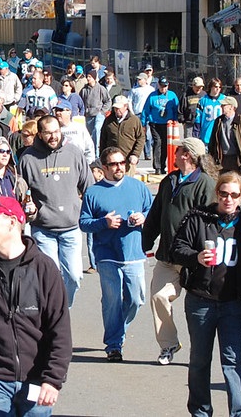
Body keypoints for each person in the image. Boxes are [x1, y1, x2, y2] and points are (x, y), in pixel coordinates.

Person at [0, 196, 72, 416]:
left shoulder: (44, 268)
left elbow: (59, 329)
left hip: (37, 379)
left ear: (12, 222)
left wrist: (53, 379)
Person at [172, 171, 241, 417]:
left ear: (240, 197)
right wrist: (196, 257)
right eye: (223, 194)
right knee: (199, 361)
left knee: (233, 361)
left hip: (232, 303)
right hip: (201, 301)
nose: (228, 199)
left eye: (234, 195)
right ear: (216, 193)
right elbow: (177, 248)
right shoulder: (198, 217)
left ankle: (240, 412)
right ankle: (200, 411)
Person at [142, 137, 216, 365]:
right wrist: (146, 240)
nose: (175, 153)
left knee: (196, 309)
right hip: (167, 255)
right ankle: (169, 344)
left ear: (188, 155)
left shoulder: (205, 183)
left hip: (194, 259)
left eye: (180, 150)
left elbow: (211, 221)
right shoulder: (169, 180)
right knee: (158, 297)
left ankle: (200, 353)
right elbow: (156, 214)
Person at [79, 147, 153, 362]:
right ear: (104, 168)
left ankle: (118, 330)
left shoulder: (138, 187)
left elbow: (152, 211)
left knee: (136, 299)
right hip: (107, 254)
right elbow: (84, 223)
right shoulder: (94, 192)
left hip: (134, 252)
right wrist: (104, 222)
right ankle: (114, 344)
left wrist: (143, 218)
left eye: (122, 163)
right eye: (114, 164)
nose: (119, 167)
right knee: (112, 301)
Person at [18, 116, 94, 307]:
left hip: (71, 227)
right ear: (40, 134)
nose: (53, 136)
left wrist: (94, 215)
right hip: (43, 229)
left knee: (75, 277)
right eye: (48, 133)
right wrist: (29, 209)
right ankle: (54, 314)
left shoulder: (74, 153)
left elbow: (89, 187)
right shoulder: (28, 158)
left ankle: (62, 309)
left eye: (56, 132)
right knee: (50, 277)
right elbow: (21, 193)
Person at [208, 96, 241, 175]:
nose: (221, 107)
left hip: (236, 160)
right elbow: (213, 141)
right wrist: (210, 157)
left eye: (224, 105)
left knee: (235, 184)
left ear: (231, 107)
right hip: (222, 159)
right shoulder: (219, 121)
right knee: (222, 184)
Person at [99, 95, 145, 176]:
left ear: (125, 106)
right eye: (115, 108)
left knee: (127, 185)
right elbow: (103, 139)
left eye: (119, 108)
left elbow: (140, 138)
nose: (117, 110)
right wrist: (102, 157)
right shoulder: (108, 120)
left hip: (128, 160)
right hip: (111, 161)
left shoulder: (134, 120)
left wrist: (135, 154)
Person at [142, 77, 179, 175]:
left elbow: (176, 109)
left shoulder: (172, 95)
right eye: (162, 86)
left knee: (165, 145)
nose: (163, 88)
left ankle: (163, 165)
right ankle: (157, 167)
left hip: (168, 124)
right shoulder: (152, 96)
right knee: (157, 142)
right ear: (158, 85)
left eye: (165, 86)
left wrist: (175, 120)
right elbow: (146, 110)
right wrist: (143, 123)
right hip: (155, 123)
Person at [80, 71, 111, 158]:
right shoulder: (84, 90)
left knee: (97, 130)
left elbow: (108, 101)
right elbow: (81, 102)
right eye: (87, 76)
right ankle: (90, 154)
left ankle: (97, 154)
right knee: (88, 135)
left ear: (94, 78)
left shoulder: (101, 88)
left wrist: (102, 111)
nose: (88, 78)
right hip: (88, 115)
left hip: (98, 114)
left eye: (90, 77)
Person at [195, 77, 225, 146]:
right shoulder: (203, 100)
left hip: (220, 135)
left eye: (220, 87)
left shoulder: (224, 99)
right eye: (216, 87)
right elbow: (198, 119)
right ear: (211, 87)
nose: (218, 89)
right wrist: (197, 134)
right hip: (206, 134)